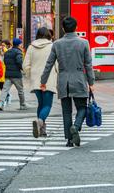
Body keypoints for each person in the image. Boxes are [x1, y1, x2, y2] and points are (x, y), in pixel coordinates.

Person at [41, 17, 95, 147]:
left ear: (63, 28)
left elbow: (49, 64)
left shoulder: (57, 44)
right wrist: (91, 82)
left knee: (66, 111)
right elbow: (88, 64)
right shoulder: (84, 43)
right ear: (76, 27)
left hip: (63, 80)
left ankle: (69, 140)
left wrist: (43, 81)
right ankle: (76, 127)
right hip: (79, 79)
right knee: (82, 107)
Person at [23, 27, 57, 138]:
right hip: (49, 79)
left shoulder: (31, 47)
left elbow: (25, 65)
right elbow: (57, 64)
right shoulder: (52, 46)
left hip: (36, 79)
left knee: (41, 104)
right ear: (48, 35)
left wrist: (30, 75)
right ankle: (40, 121)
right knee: (47, 105)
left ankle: (42, 130)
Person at [2, 38, 26, 110]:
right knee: (20, 90)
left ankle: (1, 104)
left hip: (8, 74)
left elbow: (5, 61)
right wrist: (22, 68)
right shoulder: (18, 52)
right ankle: (22, 105)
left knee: (5, 90)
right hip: (16, 75)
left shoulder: (7, 52)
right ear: (18, 44)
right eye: (21, 44)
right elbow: (19, 61)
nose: (21, 45)